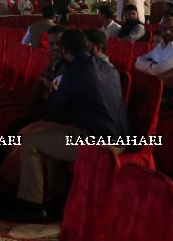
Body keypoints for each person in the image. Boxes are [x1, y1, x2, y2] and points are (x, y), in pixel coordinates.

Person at [11, 29, 129, 221]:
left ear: (65, 50)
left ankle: (33, 206)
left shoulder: (77, 71)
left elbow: (57, 111)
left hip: (100, 143)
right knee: (48, 136)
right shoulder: (106, 66)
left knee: (31, 141)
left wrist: (49, 96)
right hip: (116, 136)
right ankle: (58, 199)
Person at [135, 16, 173, 109]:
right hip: (156, 87)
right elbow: (138, 62)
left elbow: (158, 70)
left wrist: (151, 65)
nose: (167, 32)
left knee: (140, 101)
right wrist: (153, 66)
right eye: (164, 28)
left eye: (171, 28)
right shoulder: (161, 47)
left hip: (172, 95)